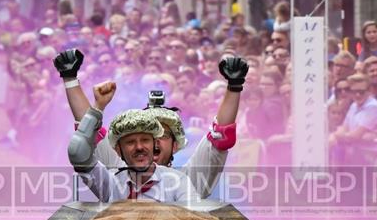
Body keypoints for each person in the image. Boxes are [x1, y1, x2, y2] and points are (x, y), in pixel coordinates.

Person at [55, 48, 247, 199]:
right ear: (119, 150)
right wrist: (70, 78)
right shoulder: (115, 177)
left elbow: (220, 137)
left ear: (175, 145)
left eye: (162, 135)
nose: (149, 144)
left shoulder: (187, 181)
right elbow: (88, 136)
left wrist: (234, 86)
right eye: (142, 138)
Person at [69, 101, 193, 203]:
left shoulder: (179, 181)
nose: (139, 147)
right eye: (130, 142)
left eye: (145, 140)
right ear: (118, 150)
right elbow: (77, 152)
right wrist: (97, 109)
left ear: (154, 144)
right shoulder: (111, 182)